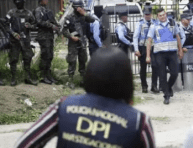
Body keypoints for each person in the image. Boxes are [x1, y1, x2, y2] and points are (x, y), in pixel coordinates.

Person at [14, 47, 155, 148]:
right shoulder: (139, 122)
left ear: (89, 75)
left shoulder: (64, 107)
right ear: (127, 81)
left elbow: (24, 144)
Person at [146, 8, 184, 105]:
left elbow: (178, 37)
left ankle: (168, 87)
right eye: (160, 15)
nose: (162, 17)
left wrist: (180, 50)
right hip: (159, 53)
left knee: (175, 73)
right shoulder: (154, 26)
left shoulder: (172, 23)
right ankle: (166, 95)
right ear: (157, 17)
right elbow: (149, 40)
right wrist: (148, 55)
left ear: (165, 14)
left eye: (163, 15)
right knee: (162, 75)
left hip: (172, 52)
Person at [5, 0, 37, 86]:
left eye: (19, 1)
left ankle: (28, 78)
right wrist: (12, 33)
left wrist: (30, 26)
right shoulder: (11, 12)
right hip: (15, 40)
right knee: (13, 59)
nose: (17, 3)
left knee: (27, 58)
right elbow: (5, 25)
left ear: (23, 2)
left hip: (25, 40)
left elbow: (35, 25)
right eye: (16, 1)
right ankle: (13, 79)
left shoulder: (29, 13)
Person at [62, 0, 95, 89]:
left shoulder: (84, 16)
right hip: (73, 42)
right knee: (72, 60)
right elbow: (64, 30)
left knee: (83, 60)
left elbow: (92, 19)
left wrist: (84, 13)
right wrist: (71, 37)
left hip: (82, 41)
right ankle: (70, 80)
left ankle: (83, 80)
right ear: (76, 8)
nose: (82, 8)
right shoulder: (69, 17)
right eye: (80, 7)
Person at [34, 0, 60, 84]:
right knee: (45, 56)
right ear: (41, 0)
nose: (47, 0)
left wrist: (57, 27)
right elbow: (39, 22)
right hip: (43, 36)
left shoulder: (48, 10)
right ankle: (43, 76)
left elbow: (53, 21)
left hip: (49, 36)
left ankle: (49, 75)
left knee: (50, 56)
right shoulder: (38, 10)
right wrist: (50, 25)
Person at [133, 7, 159, 94]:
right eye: (146, 14)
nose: (147, 16)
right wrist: (136, 49)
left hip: (153, 47)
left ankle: (154, 86)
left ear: (151, 15)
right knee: (143, 68)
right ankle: (144, 86)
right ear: (144, 14)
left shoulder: (155, 22)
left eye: (149, 14)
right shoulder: (140, 23)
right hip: (143, 47)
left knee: (155, 66)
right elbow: (135, 36)